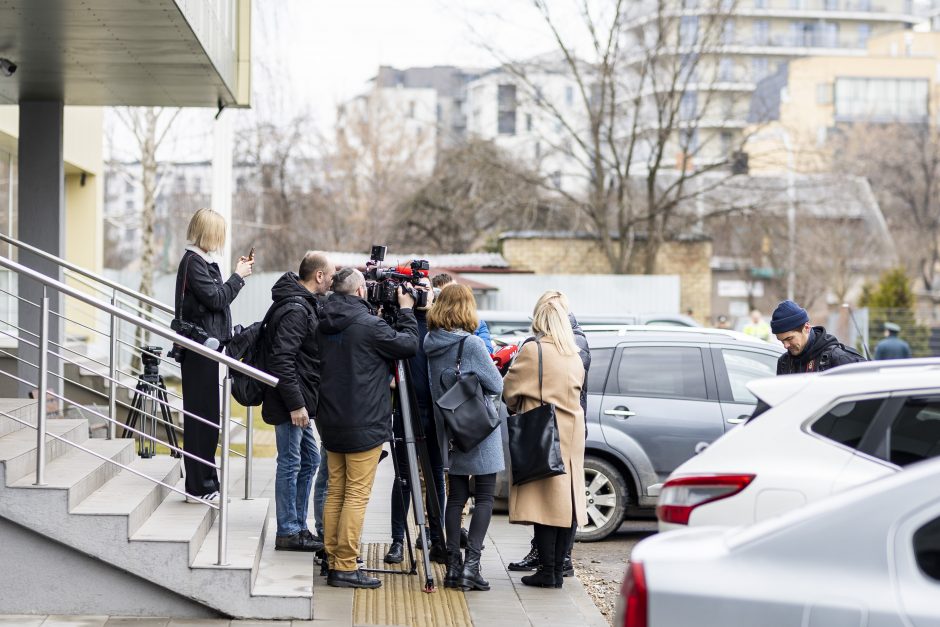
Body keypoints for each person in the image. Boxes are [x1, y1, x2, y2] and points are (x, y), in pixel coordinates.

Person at [315, 268, 418, 589]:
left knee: (336, 490)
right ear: (361, 291)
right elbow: (409, 345)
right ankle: (345, 565)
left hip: (331, 420)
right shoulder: (369, 326)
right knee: (356, 495)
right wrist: (405, 311)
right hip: (364, 422)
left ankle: (334, 559)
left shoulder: (322, 320)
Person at [503, 291, 587, 589]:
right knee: (567, 502)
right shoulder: (574, 353)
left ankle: (548, 572)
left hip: (543, 431)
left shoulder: (534, 350)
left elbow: (509, 392)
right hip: (572, 432)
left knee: (545, 502)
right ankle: (559, 568)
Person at [425, 284, 505, 591]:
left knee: (455, 497)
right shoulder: (470, 344)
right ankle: (472, 566)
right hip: (477, 428)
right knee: (484, 496)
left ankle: (453, 568)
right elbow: (495, 383)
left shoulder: (430, 342)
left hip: (449, 429)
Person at [174, 208, 253, 503]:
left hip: (207, 349)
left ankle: (206, 483)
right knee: (202, 420)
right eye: (218, 233)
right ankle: (200, 486)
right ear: (209, 233)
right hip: (200, 350)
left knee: (207, 419)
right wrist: (238, 276)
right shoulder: (194, 263)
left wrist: (233, 274)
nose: (221, 239)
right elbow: (218, 299)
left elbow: (215, 301)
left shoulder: (200, 262)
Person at [262, 252, 333, 552]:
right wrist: (295, 405)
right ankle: (288, 530)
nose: (332, 278)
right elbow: (282, 359)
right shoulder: (295, 309)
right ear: (318, 275)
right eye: (330, 273)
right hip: (290, 403)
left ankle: (298, 526)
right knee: (291, 463)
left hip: (297, 400)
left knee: (310, 460)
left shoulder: (303, 304)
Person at [384, 274, 447, 566]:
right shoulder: (401, 322)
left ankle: (437, 539)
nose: (423, 295)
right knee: (404, 479)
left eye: (427, 290)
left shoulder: (442, 324)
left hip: (436, 412)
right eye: (418, 290)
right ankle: (399, 541)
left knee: (436, 477)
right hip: (406, 409)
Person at [771, 299, 865, 374]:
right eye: (782, 341)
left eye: (789, 338)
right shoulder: (783, 363)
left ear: (807, 327)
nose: (785, 346)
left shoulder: (837, 358)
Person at [431, 273, 493, 353]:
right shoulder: (432, 323)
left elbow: (487, 352)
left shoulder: (478, 324)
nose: (456, 295)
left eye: (457, 290)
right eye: (448, 293)